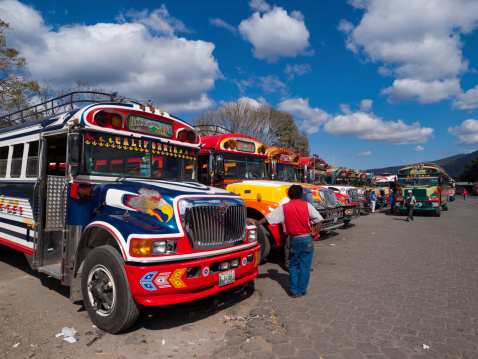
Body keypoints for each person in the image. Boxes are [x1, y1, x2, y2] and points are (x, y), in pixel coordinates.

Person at [252, 185, 323, 298]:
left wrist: (256, 223)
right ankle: (302, 290)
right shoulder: (307, 205)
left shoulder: (285, 207)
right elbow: (319, 220)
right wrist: (315, 232)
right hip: (306, 239)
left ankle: (294, 291)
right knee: (304, 266)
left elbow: (269, 218)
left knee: (293, 265)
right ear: (301, 195)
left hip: (293, 240)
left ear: (289, 194)